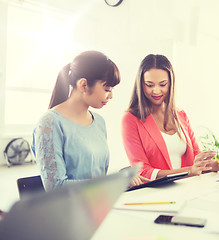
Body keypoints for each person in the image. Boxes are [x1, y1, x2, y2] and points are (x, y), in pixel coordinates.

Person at [34, 51, 145, 191]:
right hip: (68, 210)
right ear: (84, 85)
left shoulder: (99, 122)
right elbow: (56, 187)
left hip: (100, 205)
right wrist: (113, 182)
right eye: (107, 89)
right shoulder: (49, 123)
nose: (111, 96)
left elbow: (98, 178)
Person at [122, 54, 219, 180]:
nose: (156, 91)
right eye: (150, 85)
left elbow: (197, 157)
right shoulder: (130, 119)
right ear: (141, 85)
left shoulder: (180, 115)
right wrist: (188, 171)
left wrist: (215, 165)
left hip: (187, 189)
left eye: (163, 84)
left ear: (171, 83)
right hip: (157, 194)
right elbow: (142, 171)